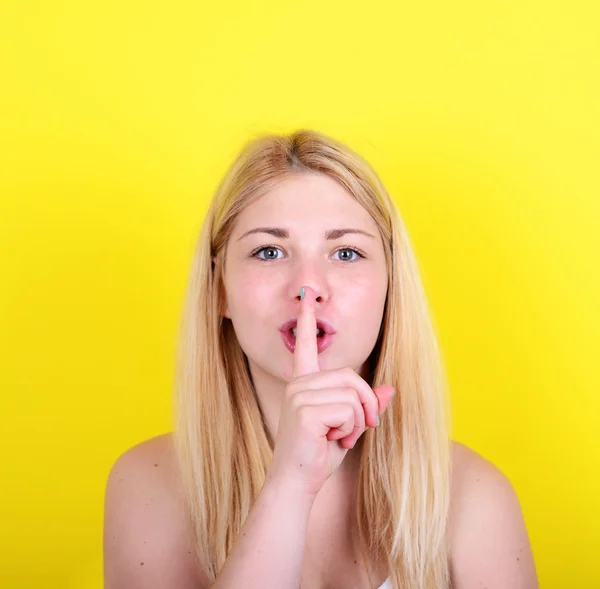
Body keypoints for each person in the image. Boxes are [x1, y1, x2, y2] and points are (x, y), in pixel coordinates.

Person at [103, 129, 539, 589]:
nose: (308, 286)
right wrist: (289, 486)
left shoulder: (474, 499)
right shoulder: (148, 486)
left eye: (346, 252)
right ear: (219, 290)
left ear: (392, 285)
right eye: (268, 251)